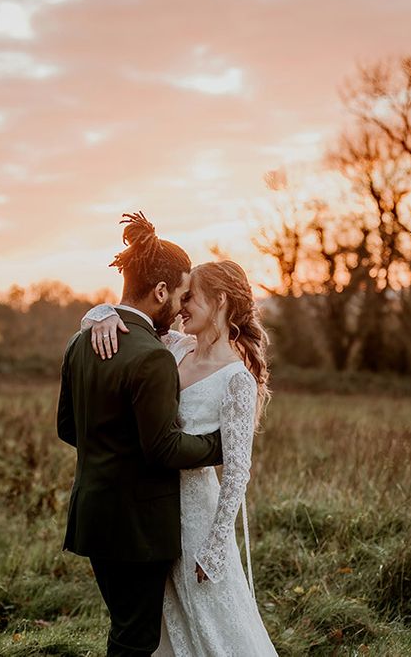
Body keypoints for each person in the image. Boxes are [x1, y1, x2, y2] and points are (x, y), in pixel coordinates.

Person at [83, 258, 277, 656]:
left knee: (211, 625)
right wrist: (101, 315)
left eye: (190, 298)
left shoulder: (236, 378)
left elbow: (238, 470)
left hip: (197, 518)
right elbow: (127, 321)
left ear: (220, 301)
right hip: (152, 511)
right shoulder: (174, 347)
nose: (180, 306)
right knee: (159, 621)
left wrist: (216, 548)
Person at [57, 212, 224, 656]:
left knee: (124, 627)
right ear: (161, 291)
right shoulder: (151, 356)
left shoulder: (81, 341)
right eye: (182, 295)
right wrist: (220, 444)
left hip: (93, 516)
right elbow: (163, 447)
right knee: (135, 638)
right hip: (136, 527)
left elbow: (67, 427)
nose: (183, 306)